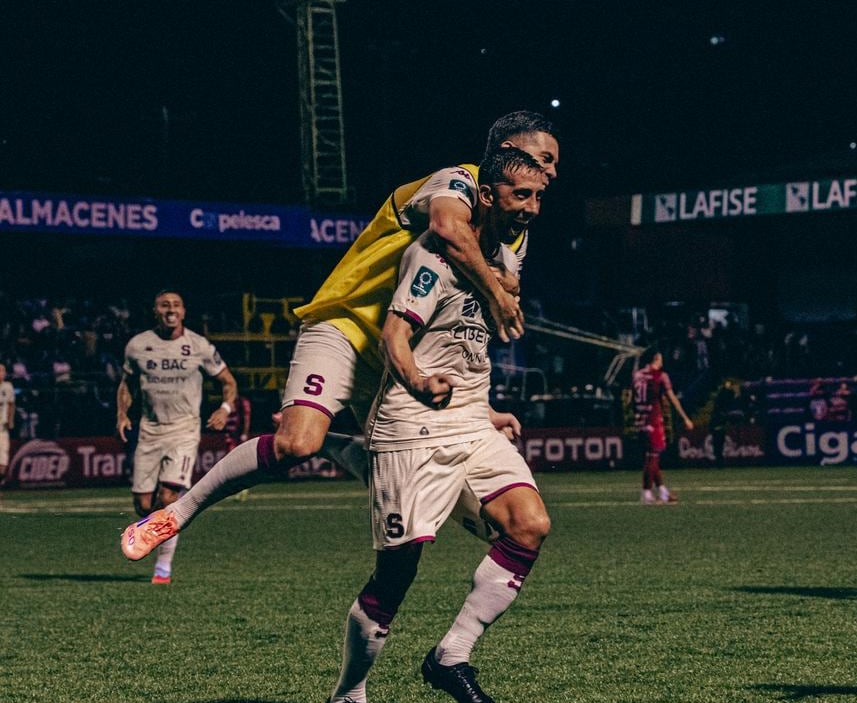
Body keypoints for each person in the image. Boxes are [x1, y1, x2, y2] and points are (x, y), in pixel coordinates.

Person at [121, 113, 560, 558]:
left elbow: (466, 325)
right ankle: (177, 513)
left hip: (403, 351)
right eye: (545, 158)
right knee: (296, 443)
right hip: (347, 326)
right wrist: (500, 292)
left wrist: (476, 408)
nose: (552, 171)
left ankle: (334, 446)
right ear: (506, 154)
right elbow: (448, 231)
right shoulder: (456, 180)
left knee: (408, 479)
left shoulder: (513, 232)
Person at [322, 148, 550, 703]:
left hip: (470, 421)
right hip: (412, 422)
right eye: (520, 195)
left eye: (539, 196)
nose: (532, 207)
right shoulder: (434, 254)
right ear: (486, 194)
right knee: (397, 575)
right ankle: (347, 696)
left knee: (528, 524)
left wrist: (486, 406)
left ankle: (451, 656)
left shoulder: (502, 259)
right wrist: (421, 380)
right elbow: (394, 338)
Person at [117, 290, 238, 584]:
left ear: (184, 312)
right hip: (149, 429)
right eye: (164, 305)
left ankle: (163, 567)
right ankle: (153, 536)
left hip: (184, 429)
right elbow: (127, 383)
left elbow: (228, 382)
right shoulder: (138, 346)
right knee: (143, 505)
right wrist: (122, 414)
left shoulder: (198, 346)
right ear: (155, 311)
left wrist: (224, 408)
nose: (170, 309)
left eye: (176, 305)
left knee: (169, 497)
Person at [632, 349, 693, 504]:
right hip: (653, 419)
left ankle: (663, 493)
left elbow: (632, 398)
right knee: (652, 457)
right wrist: (685, 418)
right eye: (660, 358)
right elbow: (672, 398)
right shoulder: (661, 376)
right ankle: (646, 493)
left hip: (640, 419)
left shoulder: (637, 375)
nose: (662, 360)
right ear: (656, 359)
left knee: (652, 456)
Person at [0, 363, 13, 484]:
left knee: (3, 453)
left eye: (3, 371)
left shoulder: (8, 386)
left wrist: (10, 420)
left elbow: (11, 404)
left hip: (2, 427)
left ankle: (1, 479)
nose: (1, 374)